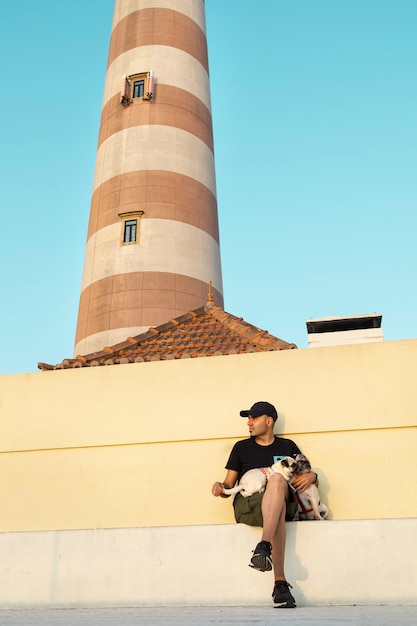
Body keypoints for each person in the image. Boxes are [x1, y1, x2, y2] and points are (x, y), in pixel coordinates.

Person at [211, 401, 318, 609]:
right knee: (276, 502)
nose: (249, 423)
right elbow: (228, 484)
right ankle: (280, 583)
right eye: (248, 419)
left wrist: (313, 476)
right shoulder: (241, 448)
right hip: (249, 505)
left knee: (277, 482)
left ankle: (264, 546)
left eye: (254, 418)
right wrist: (220, 488)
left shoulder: (287, 447)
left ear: (269, 422)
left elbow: (306, 475)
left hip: (283, 502)